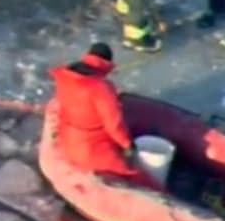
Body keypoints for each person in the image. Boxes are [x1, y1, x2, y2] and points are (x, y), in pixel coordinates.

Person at [49, 42, 160, 189]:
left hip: (68, 139)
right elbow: (113, 124)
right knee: (136, 176)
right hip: (91, 150)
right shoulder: (100, 88)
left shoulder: (65, 76)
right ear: (107, 63)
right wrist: (128, 145)